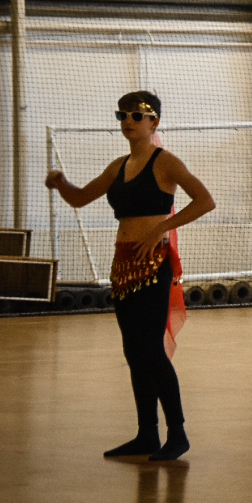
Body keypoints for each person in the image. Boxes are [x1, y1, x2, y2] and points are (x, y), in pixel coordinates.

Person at [45, 91, 216, 461]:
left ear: (154, 122)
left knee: (152, 350)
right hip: (123, 267)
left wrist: (162, 228)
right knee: (133, 351)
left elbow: (205, 201)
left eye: (137, 115)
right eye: (123, 115)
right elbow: (80, 198)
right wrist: (61, 183)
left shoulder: (165, 162)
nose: (128, 121)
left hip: (153, 266)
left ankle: (177, 434)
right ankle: (146, 434)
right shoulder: (118, 167)